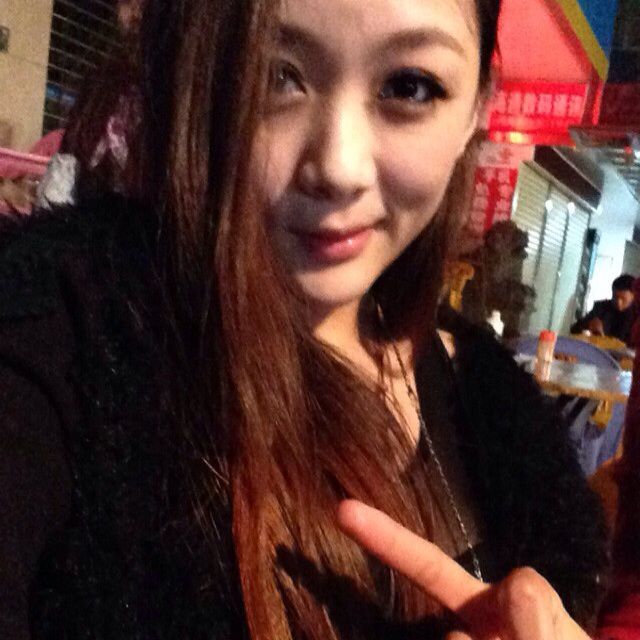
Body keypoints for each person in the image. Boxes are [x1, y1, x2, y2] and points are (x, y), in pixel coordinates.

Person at [0, 1, 608, 639]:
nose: (338, 169)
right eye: (273, 75)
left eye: (409, 87)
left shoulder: (493, 406)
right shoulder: (64, 332)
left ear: (477, 108)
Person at [571, 274, 637, 345]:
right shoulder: (602, 308)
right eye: (615, 297)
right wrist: (588, 324)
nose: (618, 303)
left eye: (623, 299)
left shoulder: (637, 317)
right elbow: (574, 329)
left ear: (633, 296)